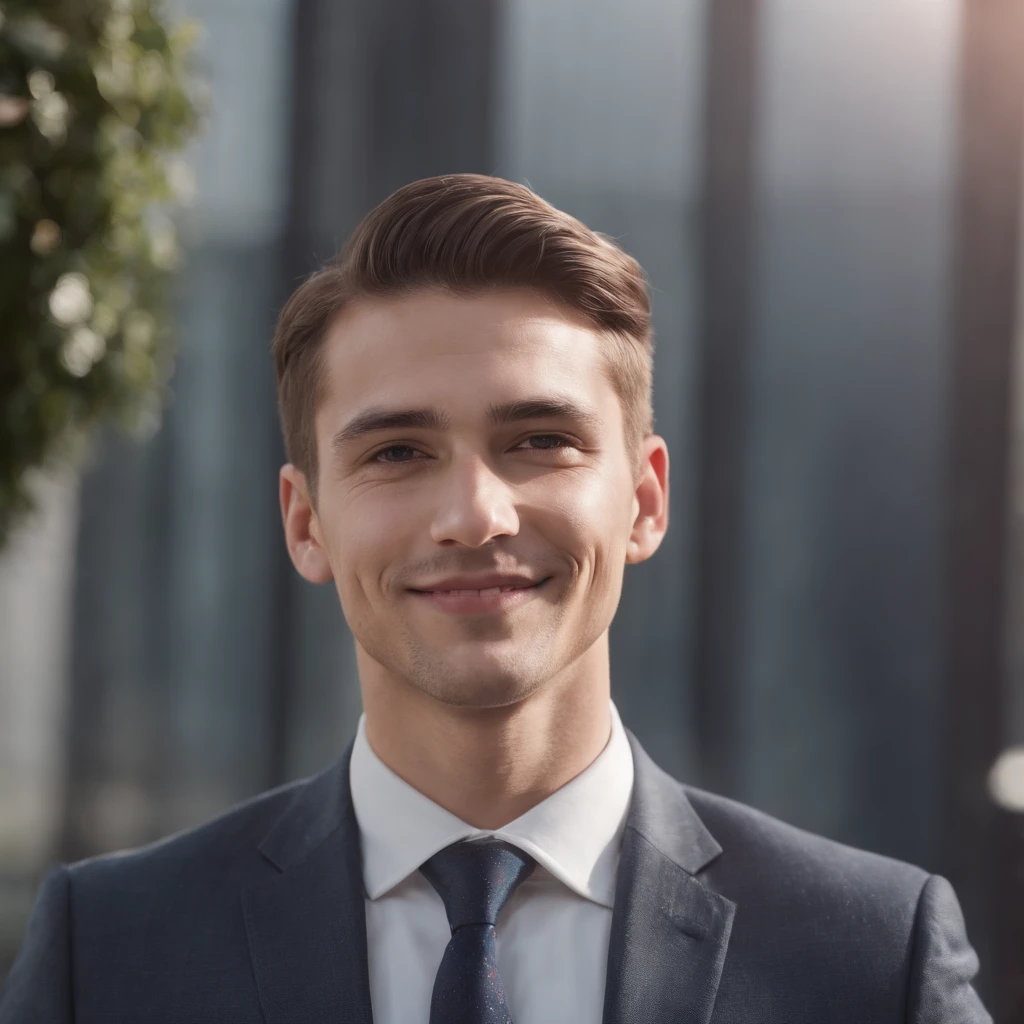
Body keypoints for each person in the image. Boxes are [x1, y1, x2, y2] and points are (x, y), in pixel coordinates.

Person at [0, 173, 990, 1023]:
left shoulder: (868, 960)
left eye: (538, 441)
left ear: (644, 500)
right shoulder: (114, 955)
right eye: (396, 452)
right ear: (305, 523)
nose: (475, 515)